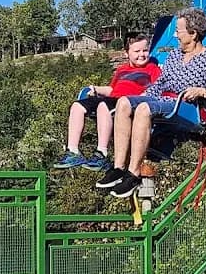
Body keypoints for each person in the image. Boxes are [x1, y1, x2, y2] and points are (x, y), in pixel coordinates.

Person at [95, 7, 206, 198]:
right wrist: (140, 96)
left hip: (187, 107)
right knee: (124, 103)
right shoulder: (174, 56)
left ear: (193, 33)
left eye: (179, 30)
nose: (175, 35)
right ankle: (119, 167)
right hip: (164, 99)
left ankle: (133, 173)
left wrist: (202, 91)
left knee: (144, 109)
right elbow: (160, 83)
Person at [53, 34, 161, 171]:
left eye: (145, 50)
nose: (142, 54)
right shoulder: (122, 70)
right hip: (112, 98)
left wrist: (143, 96)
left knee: (103, 106)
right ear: (126, 53)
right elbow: (112, 89)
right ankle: (73, 151)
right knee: (77, 106)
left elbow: (157, 88)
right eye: (137, 51)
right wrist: (96, 89)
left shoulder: (152, 69)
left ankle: (102, 153)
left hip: (129, 102)